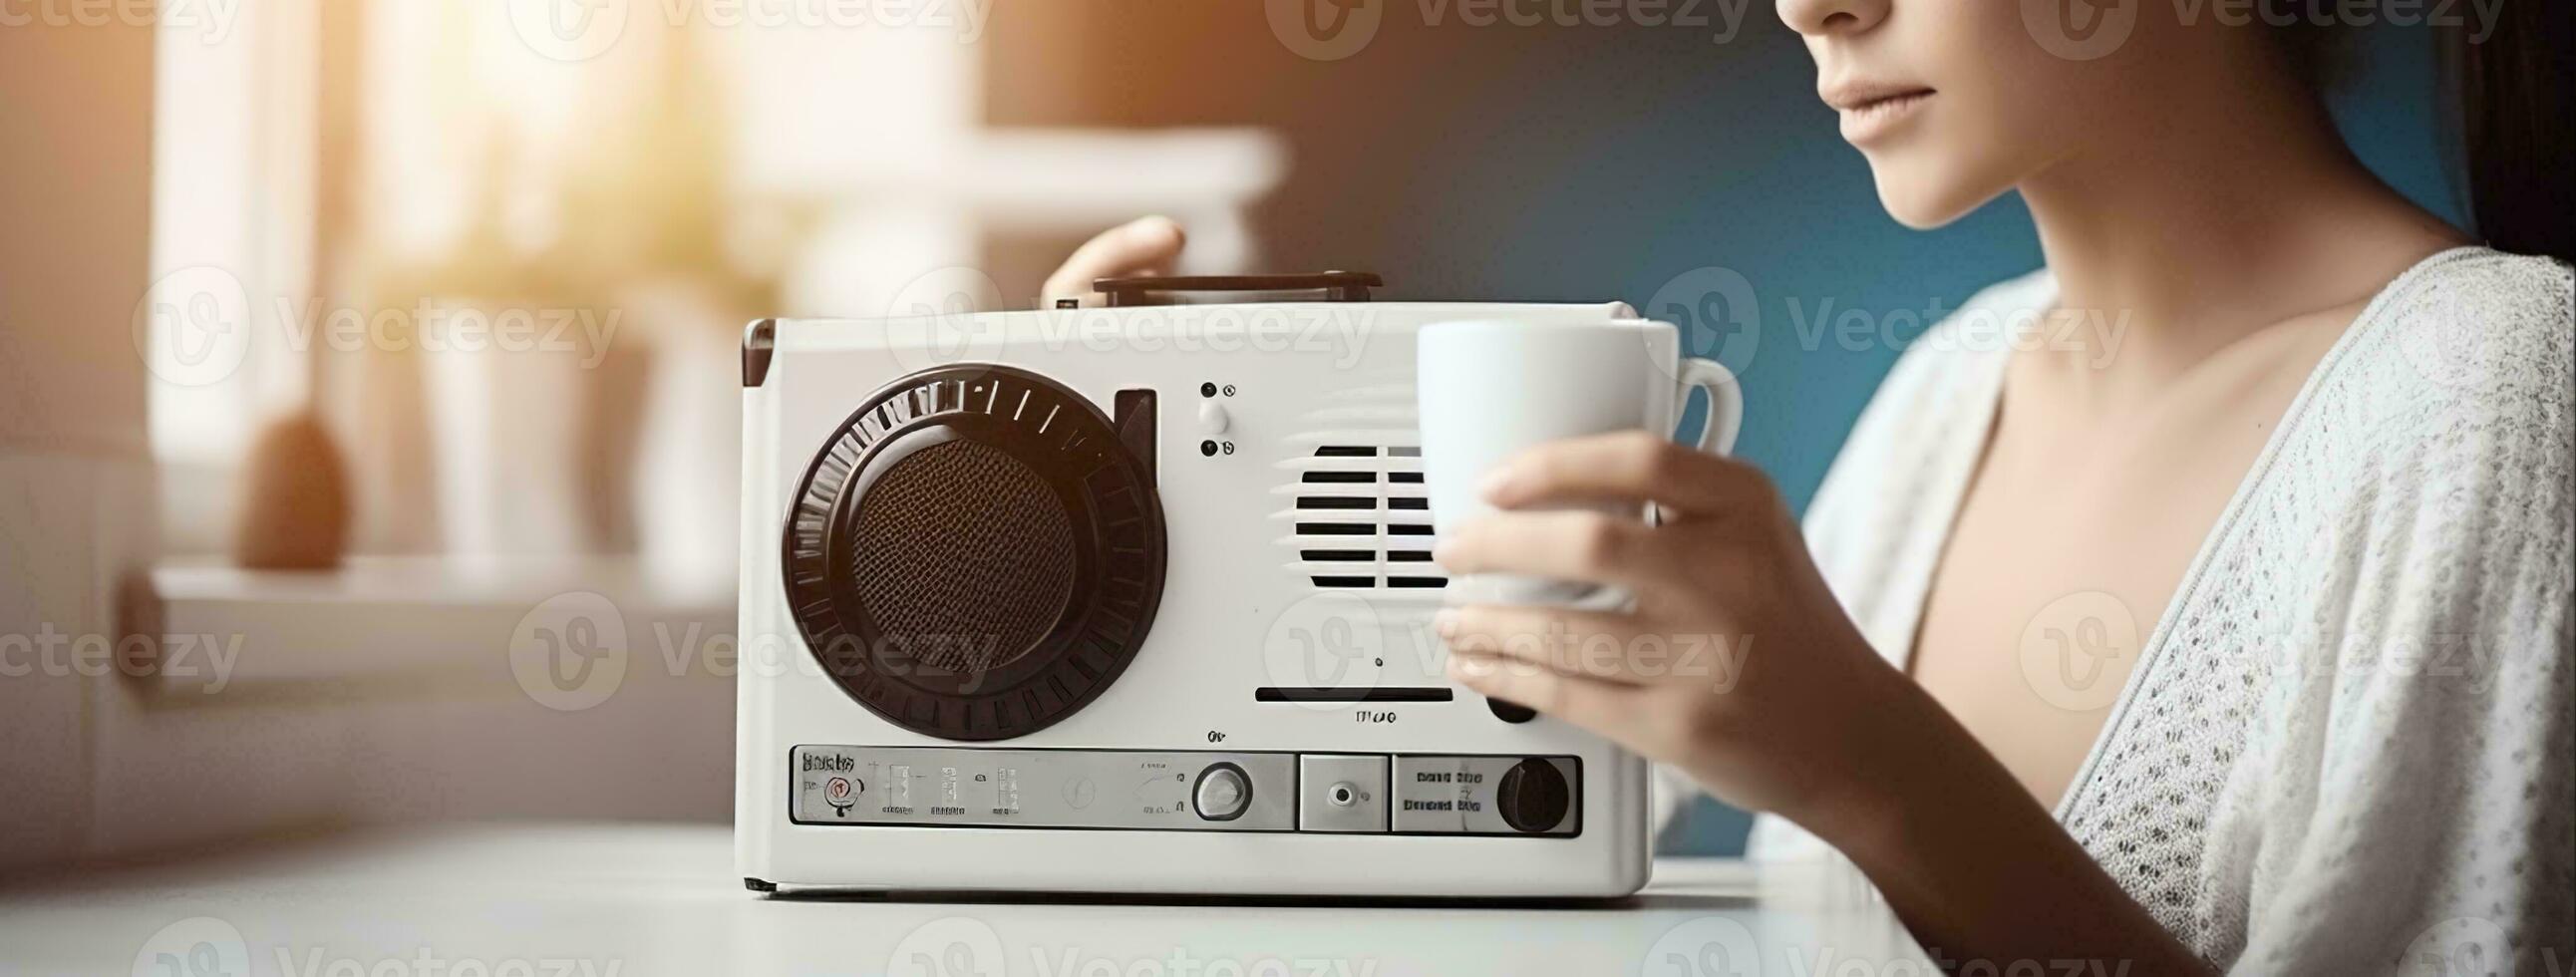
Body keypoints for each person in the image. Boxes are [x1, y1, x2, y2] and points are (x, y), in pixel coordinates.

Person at [1044, 2, 2571, 972]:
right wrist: (1132, 511)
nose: (1810, 6)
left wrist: (1871, 767)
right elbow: (1511, 809)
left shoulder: (2500, 387)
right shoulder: (1955, 389)